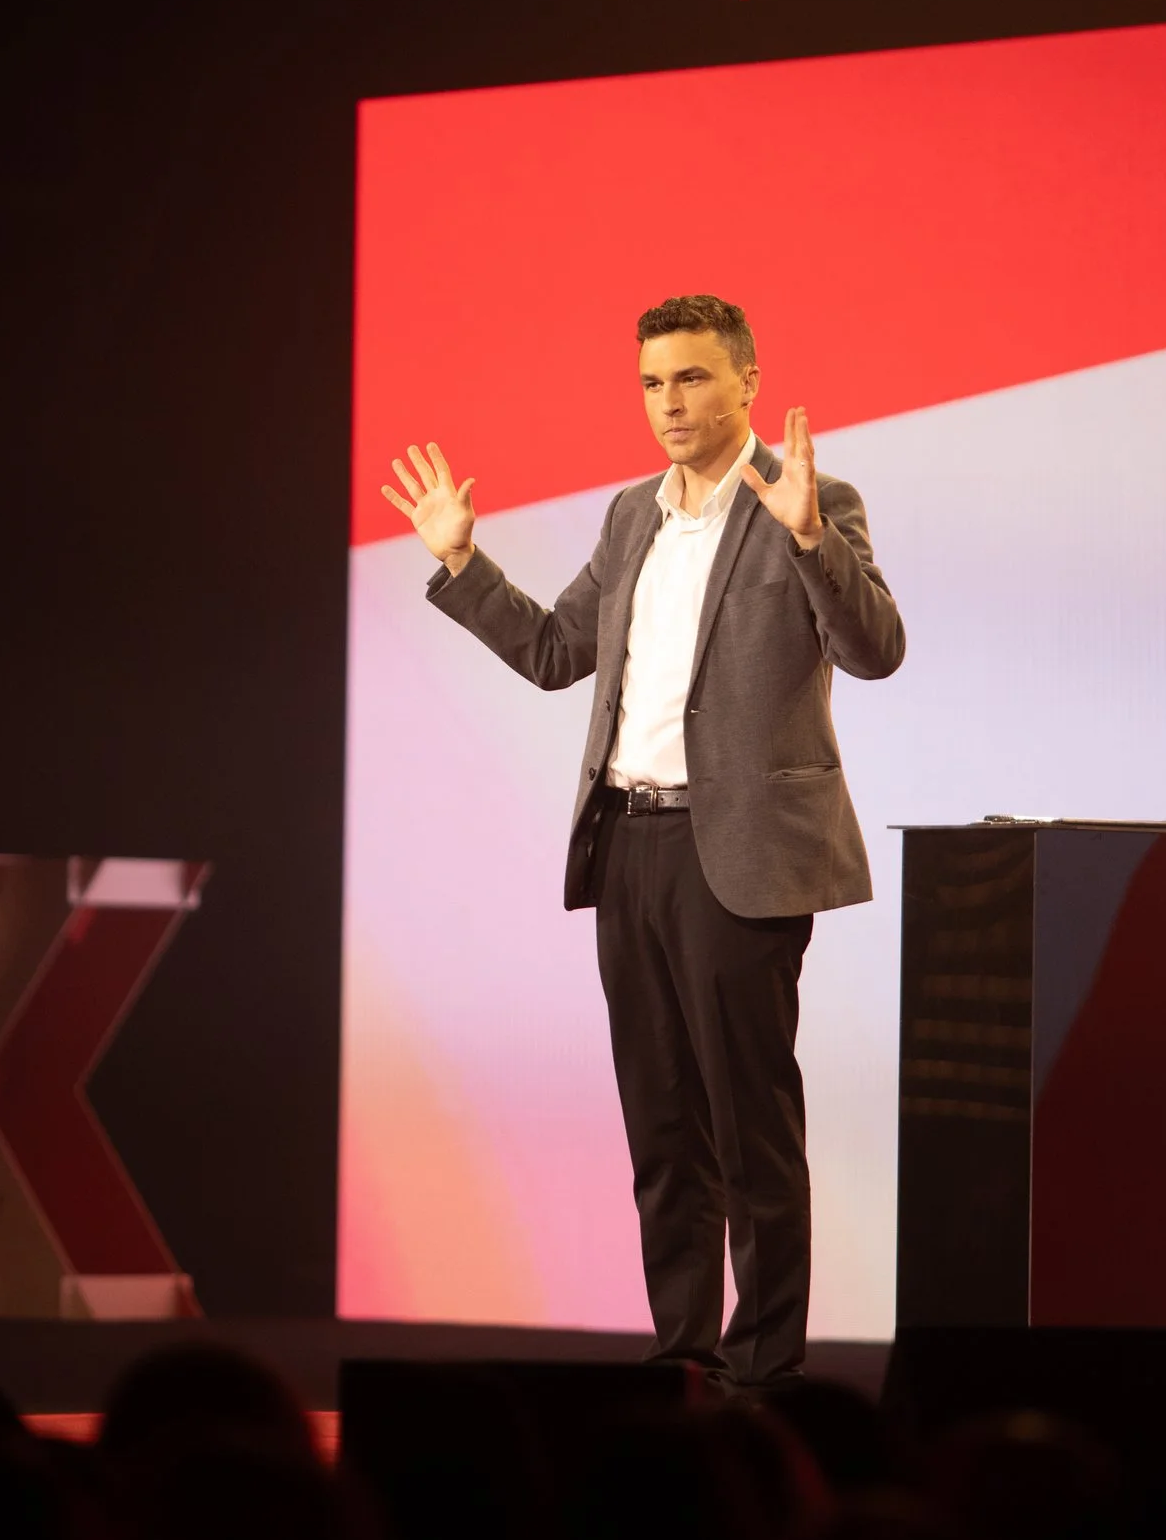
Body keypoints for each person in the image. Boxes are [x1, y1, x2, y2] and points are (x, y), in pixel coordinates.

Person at [380, 294, 906, 1393]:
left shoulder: (810, 497)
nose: (670, 402)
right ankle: (680, 1357)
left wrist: (809, 535)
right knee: (663, 1125)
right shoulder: (630, 516)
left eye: (694, 378)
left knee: (749, 1125)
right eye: (653, 382)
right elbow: (556, 649)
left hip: (743, 854)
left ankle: (762, 1371)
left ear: (747, 380)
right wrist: (463, 565)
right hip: (631, 844)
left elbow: (874, 649)